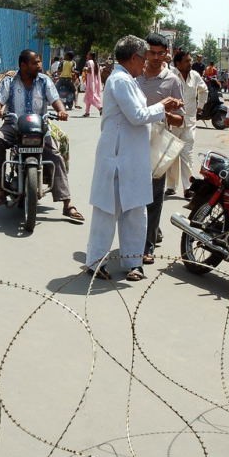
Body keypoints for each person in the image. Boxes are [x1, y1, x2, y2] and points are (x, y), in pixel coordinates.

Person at [85, 35, 180, 282]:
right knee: (108, 211)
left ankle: (133, 262)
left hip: (134, 160)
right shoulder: (120, 81)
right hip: (117, 159)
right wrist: (163, 105)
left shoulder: (129, 80)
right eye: (145, 56)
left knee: (136, 212)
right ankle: (95, 262)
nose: (147, 61)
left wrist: (164, 109)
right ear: (136, 57)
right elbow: (137, 115)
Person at [0, 49, 85, 222]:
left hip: (39, 128)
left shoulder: (44, 81)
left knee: (55, 155)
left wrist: (62, 112)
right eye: (35, 63)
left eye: (39, 62)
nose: (39, 65)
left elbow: (56, 100)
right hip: (13, 126)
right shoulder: (9, 81)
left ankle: (67, 204)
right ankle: (0, 185)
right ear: (23, 65)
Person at [137, 34, 185, 265]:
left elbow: (179, 120)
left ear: (166, 53)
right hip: (133, 143)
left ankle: (147, 245)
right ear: (145, 53)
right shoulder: (134, 77)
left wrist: (161, 113)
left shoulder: (172, 81)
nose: (155, 58)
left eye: (159, 53)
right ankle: (149, 232)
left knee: (155, 195)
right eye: (151, 53)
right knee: (134, 196)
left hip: (158, 144)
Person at [167, 50, 207, 198]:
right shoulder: (170, 75)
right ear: (178, 63)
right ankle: (171, 186)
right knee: (172, 153)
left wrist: (200, 106)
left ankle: (188, 187)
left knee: (187, 153)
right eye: (187, 61)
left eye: (190, 61)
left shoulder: (195, 76)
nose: (190, 63)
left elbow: (204, 90)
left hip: (189, 121)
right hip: (173, 120)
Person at [82, 51, 103, 117]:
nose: (87, 56)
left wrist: (85, 69)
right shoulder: (96, 63)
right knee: (89, 97)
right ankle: (87, 112)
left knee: (92, 97)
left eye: (88, 55)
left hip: (91, 82)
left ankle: (100, 108)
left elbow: (90, 71)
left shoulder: (89, 62)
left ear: (91, 56)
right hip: (94, 81)